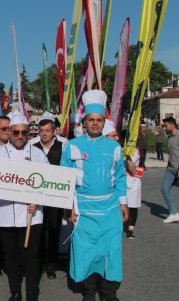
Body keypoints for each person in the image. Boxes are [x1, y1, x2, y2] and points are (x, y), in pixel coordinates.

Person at [60, 90, 128, 301]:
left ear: (103, 121)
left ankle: (109, 291)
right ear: (84, 122)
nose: (95, 123)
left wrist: (123, 203)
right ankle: (89, 291)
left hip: (109, 208)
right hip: (83, 208)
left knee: (111, 250)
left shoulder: (114, 146)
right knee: (85, 251)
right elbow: (65, 179)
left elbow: (120, 177)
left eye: (99, 120)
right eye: (91, 120)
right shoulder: (72, 146)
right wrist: (69, 207)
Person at [0, 114, 48, 301]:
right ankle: (15, 292)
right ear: (9, 132)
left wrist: (39, 199)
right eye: (15, 132)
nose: (19, 136)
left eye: (23, 132)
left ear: (28, 133)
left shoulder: (38, 154)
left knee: (32, 257)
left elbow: (48, 184)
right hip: (5, 214)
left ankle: (32, 295)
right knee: (11, 256)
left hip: (33, 216)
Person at [31, 115, 64, 280]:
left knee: (53, 230)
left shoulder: (63, 147)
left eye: (47, 131)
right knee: (38, 231)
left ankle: (51, 264)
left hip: (55, 198)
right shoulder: (32, 147)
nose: (44, 134)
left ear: (54, 131)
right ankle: (38, 264)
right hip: (37, 197)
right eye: (41, 131)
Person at [105, 126, 142, 240]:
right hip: (119, 183)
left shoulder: (134, 152)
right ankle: (117, 228)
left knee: (132, 206)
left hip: (132, 182)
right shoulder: (116, 149)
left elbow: (133, 170)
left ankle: (130, 229)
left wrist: (127, 157)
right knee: (119, 206)